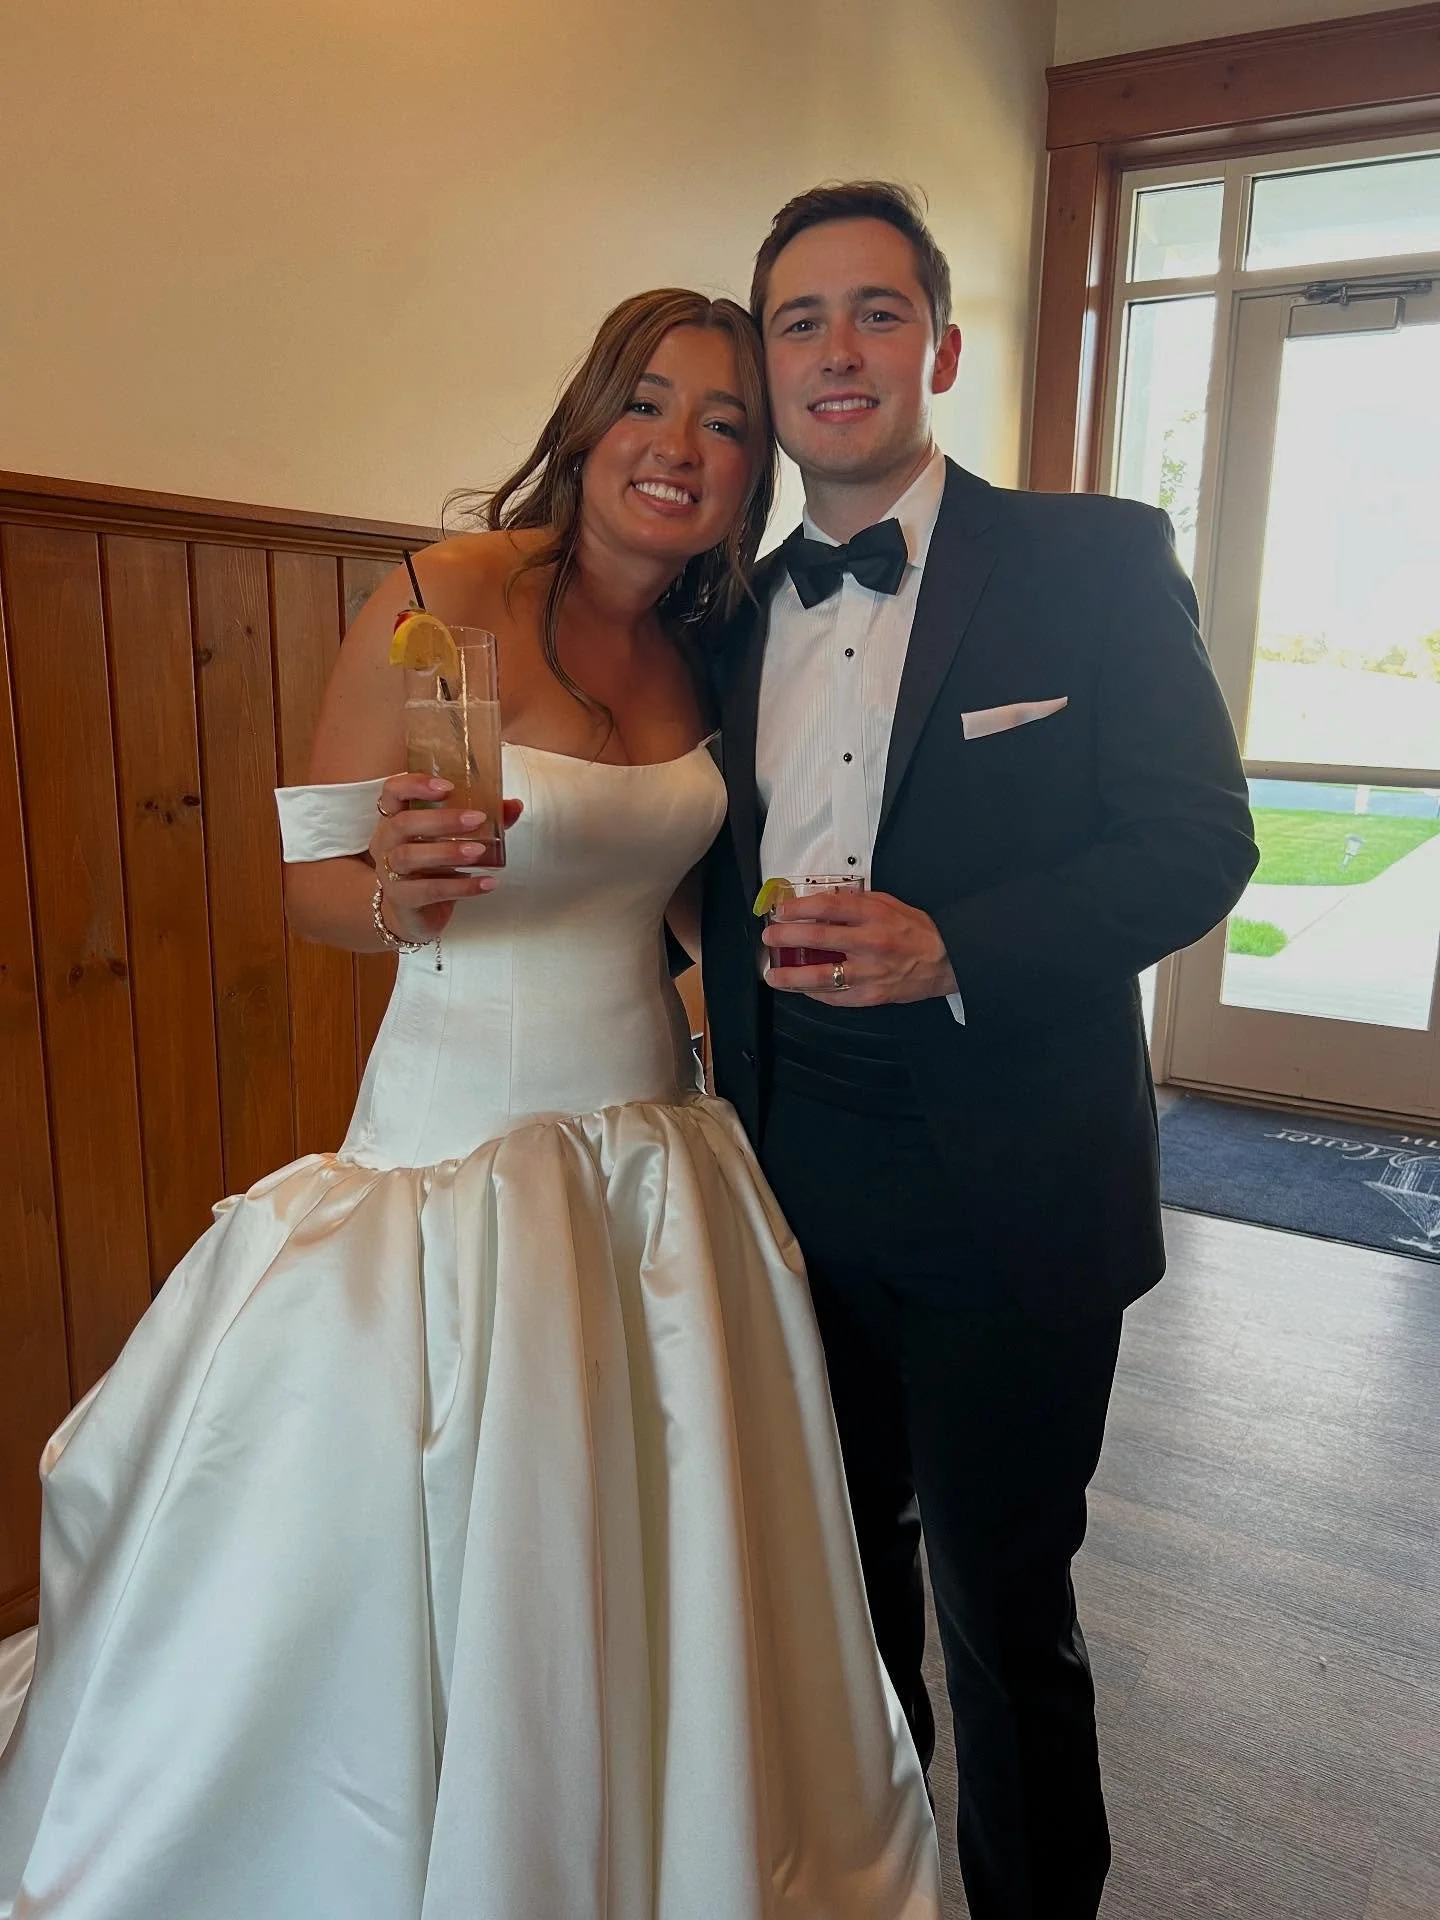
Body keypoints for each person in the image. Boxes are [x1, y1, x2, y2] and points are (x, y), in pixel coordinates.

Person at [0, 289, 940, 1920]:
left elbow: (681, 889)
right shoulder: (441, 600)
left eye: (726, 423)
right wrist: (399, 898)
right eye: (648, 403)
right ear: (585, 421)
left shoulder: (712, 649)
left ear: (753, 472)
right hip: (454, 1152)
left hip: (660, 1162)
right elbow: (308, 875)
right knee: (433, 1549)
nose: (681, 446)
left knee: (656, 1551)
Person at [698, 184, 1259, 1920]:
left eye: (876, 312)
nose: (839, 349)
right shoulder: (716, 612)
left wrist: (960, 947)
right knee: (830, 1595)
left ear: (937, 347)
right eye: (801, 319)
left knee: (1008, 1615)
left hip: (1011, 1169)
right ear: (771, 365)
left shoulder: (1093, 556)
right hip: (776, 1167)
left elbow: (1198, 843)